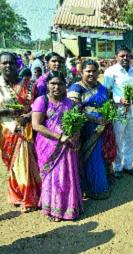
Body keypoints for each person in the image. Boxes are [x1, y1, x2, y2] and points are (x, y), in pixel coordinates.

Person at [31, 71, 83, 221]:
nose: (56, 87)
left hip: (68, 147)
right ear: (47, 85)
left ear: (65, 85)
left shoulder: (70, 103)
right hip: (48, 146)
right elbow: (36, 125)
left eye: (60, 84)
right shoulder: (42, 101)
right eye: (53, 83)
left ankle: (69, 207)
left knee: (67, 176)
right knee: (53, 178)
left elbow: (77, 124)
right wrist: (59, 137)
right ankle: (53, 209)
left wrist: (75, 137)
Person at [0, 52, 41, 212]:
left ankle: (29, 197)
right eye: (4, 63)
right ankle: (17, 193)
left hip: (28, 129)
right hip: (7, 131)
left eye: (11, 63)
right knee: (12, 165)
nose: (8, 66)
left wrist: (29, 116)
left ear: (18, 65)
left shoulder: (30, 84)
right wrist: (7, 111)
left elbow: (39, 106)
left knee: (27, 163)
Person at [68, 59, 114, 200]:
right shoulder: (76, 88)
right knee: (91, 157)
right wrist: (95, 120)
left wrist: (108, 115)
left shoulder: (101, 87)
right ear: (81, 72)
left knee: (101, 155)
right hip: (86, 128)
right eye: (88, 71)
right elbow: (74, 110)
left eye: (94, 71)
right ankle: (93, 188)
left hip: (103, 126)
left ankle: (102, 182)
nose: (91, 74)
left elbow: (109, 102)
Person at [104, 46, 133, 178]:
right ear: (116, 57)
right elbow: (107, 92)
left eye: (127, 56)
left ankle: (128, 165)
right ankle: (117, 167)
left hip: (132, 110)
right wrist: (119, 99)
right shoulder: (110, 72)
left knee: (131, 139)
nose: (125, 58)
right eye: (122, 56)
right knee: (118, 140)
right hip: (119, 111)